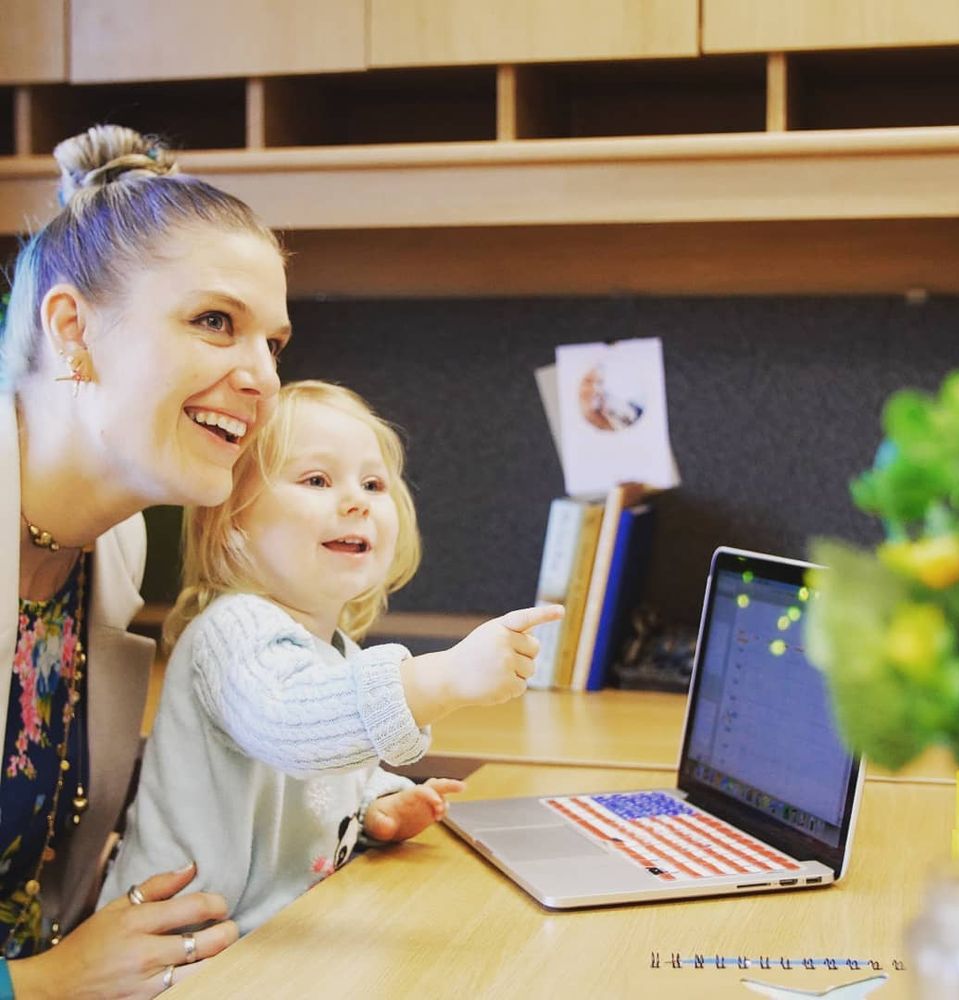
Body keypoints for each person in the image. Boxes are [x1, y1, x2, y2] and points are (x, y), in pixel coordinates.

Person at [98, 380, 563, 937]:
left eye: (373, 483)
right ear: (233, 522)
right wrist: (442, 678)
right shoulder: (231, 629)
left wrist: (374, 805)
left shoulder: (334, 650)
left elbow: (320, 773)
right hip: (175, 950)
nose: (356, 501)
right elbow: (293, 725)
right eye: (317, 480)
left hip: (265, 941)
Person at [0, 124, 291, 996]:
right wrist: (39, 984)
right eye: (215, 322)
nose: (264, 381)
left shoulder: (114, 548)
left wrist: (331, 804)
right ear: (72, 329)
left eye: (273, 343)